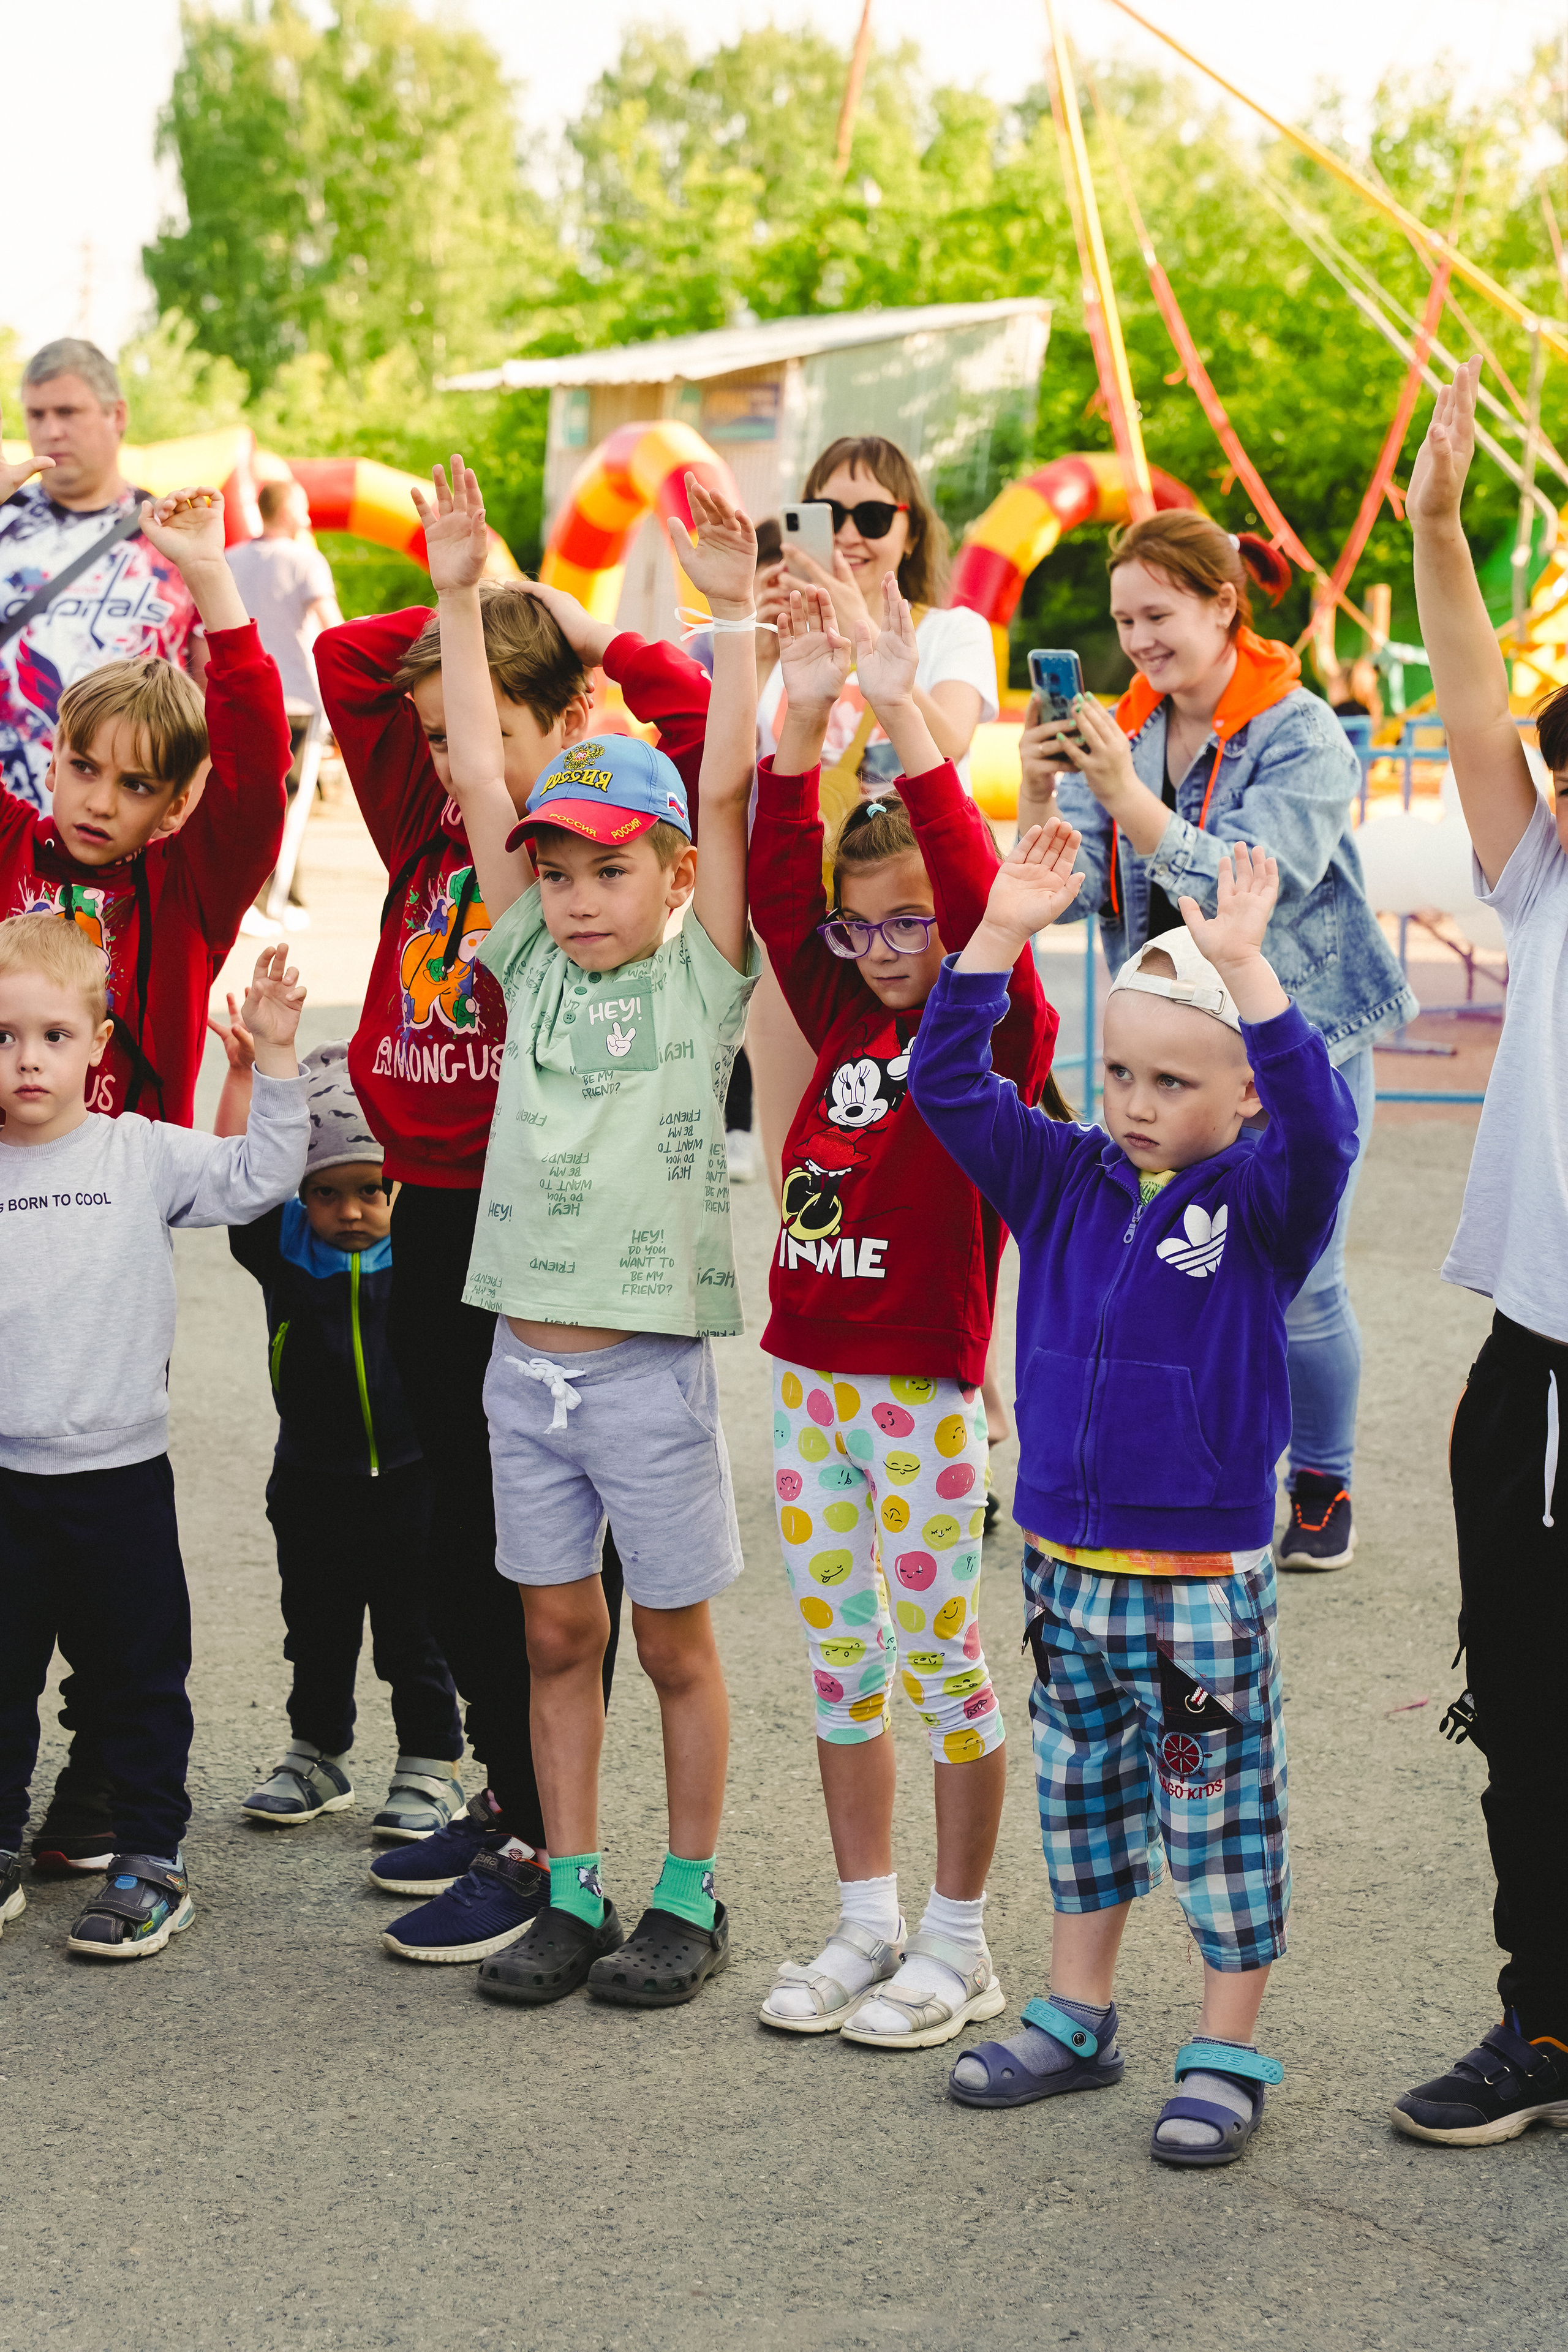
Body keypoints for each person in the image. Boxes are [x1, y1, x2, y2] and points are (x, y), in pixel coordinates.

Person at [910, 832, 1357, 2162]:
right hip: (1066, 1567)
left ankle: (1223, 2046)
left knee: (1219, 1813)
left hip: (1198, 1585)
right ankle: (1076, 2013)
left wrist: (1248, 974)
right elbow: (946, 1083)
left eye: (1172, 1081)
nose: (1136, 1104)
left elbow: (1324, 1125)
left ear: (1244, 1091)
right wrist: (998, 937)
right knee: (1085, 1796)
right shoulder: (1060, 1173)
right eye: (1117, 1074)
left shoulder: (1265, 1198)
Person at [314, 510, 718, 1966]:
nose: (450, 753)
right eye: (434, 731)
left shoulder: (586, 876)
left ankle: (561, 1838)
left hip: (551, 1230)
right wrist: (471, 591)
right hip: (435, 1212)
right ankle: (516, 1797)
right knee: (463, 1535)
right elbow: (340, 659)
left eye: (477, 725)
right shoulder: (425, 821)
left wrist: (579, 626)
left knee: (546, 1557)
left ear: (570, 714)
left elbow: (704, 747)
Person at [405, 454, 758, 2011]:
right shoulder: (530, 967)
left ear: (673, 877)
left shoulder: (695, 983)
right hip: (523, 1375)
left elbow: (728, 793)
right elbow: (488, 784)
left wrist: (734, 621)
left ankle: (687, 1890)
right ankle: (571, 1882)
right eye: (556, 872)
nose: (576, 896)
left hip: (642, 1379)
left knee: (670, 1644)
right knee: (556, 1634)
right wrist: (458, 593)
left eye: (611, 869)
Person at [749, 578, 1058, 2048]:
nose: (882, 948)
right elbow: (770, 882)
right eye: (859, 927)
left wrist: (896, 707)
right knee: (840, 1659)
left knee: (941, 1658)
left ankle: (957, 1942)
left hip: (921, 1390)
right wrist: (803, 709)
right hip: (804, 1382)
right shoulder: (839, 1015)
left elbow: (973, 880)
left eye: (911, 924)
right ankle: (865, 1919)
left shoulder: (990, 1033)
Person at [1025, 511, 1416, 1572]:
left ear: (1223, 605)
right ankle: (1206, 1475)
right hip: (1172, 1048)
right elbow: (1069, 880)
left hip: (1299, 1036)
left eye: (1157, 615)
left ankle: (1322, 1480)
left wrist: (1127, 796)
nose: (1137, 640)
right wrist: (1045, 789)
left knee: (1304, 1279)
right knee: (1186, 1270)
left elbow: (1255, 880)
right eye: (1123, 621)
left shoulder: (1303, 730)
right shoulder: (1130, 728)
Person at [0, 478, 290, 1878]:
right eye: (82, 769)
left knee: (102, 1528)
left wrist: (214, 585)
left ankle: (108, 1781)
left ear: (173, 806)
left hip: (109, 1237)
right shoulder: (7, 852)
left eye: (134, 785)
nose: (99, 802)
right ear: (48, 763)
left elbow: (259, 770)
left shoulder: (183, 890)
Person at [0, 925, 309, 1962]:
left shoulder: (137, 1152)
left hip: (118, 1480)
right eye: (3, 1037)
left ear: (98, 1045)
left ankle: (148, 1857)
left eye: (53, 1035)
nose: (27, 1059)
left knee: (136, 1681)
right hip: (6, 1479)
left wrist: (274, 1057)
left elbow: (260, 1176)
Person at [1390, 360, 1568, 2146]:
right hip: (1531, 1365)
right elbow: (1467, 711)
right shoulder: (1546, 886)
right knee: (1520, 1704)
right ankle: (1547, 2015)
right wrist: (1436, 529)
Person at [207, 1017, 465, 1847]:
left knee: (415, 1634)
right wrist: (244, 1078)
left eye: (371, 1190)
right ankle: (317, 1754)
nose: (351, 1211)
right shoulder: (282, 1249)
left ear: (398, 1187)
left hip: (415, 1481)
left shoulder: (423, 1249)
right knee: (315, 1630)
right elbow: (239, 1176)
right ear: (302, 1194)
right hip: (312, 1481)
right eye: (326, 1193)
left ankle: (431, 1763)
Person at [1, 341, 206, 813]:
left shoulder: (174, 532)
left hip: (129, 830)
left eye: (68, 412)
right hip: (9, 827)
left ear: (117, 414)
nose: (50, 430)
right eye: (36, 415)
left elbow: (215, 694)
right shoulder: (2, 519)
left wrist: (187, 813)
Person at [226, 478, 344, 912]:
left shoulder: (230, 559)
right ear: (287, 510)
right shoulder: (306, 560)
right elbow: (334, 629)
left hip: (242, 696)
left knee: (249, 802)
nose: (309, 516)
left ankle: (272, 895)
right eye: (303, 506)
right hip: (297, 699)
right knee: (291, 807)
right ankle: (269, 903)